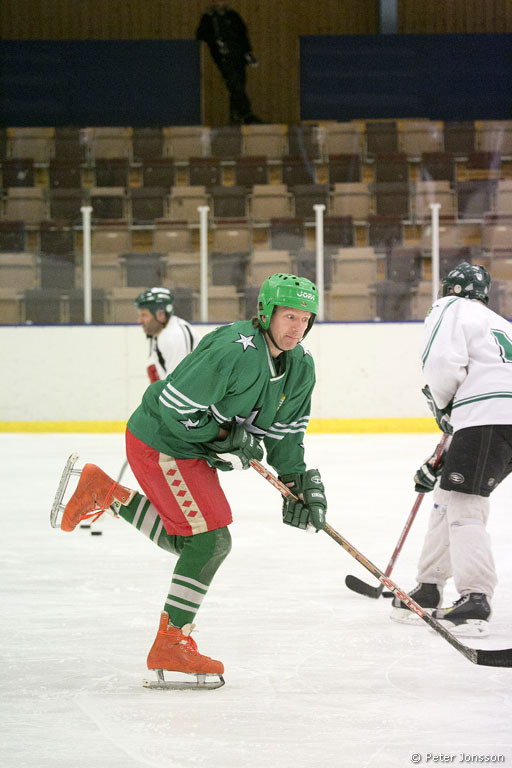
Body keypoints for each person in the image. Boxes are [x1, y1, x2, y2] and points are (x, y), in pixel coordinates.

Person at [54, 273, 327, 688]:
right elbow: (173, 408)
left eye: (305, 319)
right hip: (162, 440)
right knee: (210, 541)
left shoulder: (300, 366)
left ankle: (104, 492)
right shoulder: (233, 348)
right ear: (266, 313)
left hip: (189, 451)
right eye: (289, 316)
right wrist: (224, 435)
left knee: (195, 542)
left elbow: (286, 435)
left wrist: (297, 482)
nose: (297, 328)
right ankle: (170, 643)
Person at [391, 261, 512, 637]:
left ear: (449, 289)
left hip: (488, 417)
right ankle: (429, 586)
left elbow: (442, 362)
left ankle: (475, 598)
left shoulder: (450, 307)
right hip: (496, 418)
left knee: (464, 503)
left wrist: (444, 406)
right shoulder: (501, 323)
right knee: (448, 494)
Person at [196, 0, 262, 125]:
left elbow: (243, 34)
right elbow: (200, 35)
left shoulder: (233, 15)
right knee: (235, 84)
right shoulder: (208, 17)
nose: (219, 3)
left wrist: (248, 51)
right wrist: (215, 42)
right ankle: (247, 114)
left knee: (239, 85)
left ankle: (236, 115)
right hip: (223, 58)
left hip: (239, 56)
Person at [135, 287, 199, 383]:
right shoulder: (158, 333)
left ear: (160, 314)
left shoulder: (175, 336)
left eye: (144, 315)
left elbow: (180, 383)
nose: (139, 320)